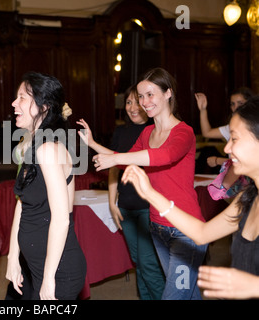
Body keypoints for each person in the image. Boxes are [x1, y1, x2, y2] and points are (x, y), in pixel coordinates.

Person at [121, 96, 259, 299]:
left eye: (235, 139)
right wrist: (150, 193)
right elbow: (202, 233)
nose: (227, 148)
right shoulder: (247, 198)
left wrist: (254, 286)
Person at [88, 67, 208, 300]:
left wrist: (115, 158)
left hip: (186, 231)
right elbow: (123, 160)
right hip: (157, 228)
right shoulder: (147, 133)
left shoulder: (184, 132)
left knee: (175, 296)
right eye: (141, 96)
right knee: (187, 294)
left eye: (150, 94)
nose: (144, 102)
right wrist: (93, 144)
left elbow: (165, 156)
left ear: (168, 94)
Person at [77, 86, 164, 300]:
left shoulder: (154, 131)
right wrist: (112, 202)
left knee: (148, 264)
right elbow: (115, 165)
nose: (133, 108)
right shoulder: (121, 132)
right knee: (139, 262)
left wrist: (93, 144)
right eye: (128, 102)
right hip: (126, 206)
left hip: (147, 207)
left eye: (138, 102)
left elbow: (124, 159)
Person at [6, 72, 86, 300]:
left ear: (43, 106)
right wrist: (13, 256)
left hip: (58, 271)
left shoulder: (48, 150)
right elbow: (23, 204)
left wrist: (49, 278)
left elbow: (62, 218)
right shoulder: (33, 146)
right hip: (37, 267)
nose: (14, 103)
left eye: (22, 97)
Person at [195, 88, 254, 200]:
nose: (236, 107)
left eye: (240, 103)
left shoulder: (253, 130)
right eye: (232, 104)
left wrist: (218, 160)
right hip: (237, 181)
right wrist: (203, 110)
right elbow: (207, 132)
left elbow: (248, 161)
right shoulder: (231, 126)